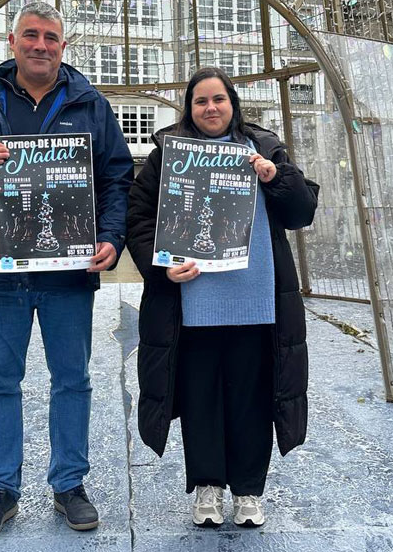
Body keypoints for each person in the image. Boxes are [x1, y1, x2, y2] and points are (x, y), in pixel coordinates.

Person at [0, 1, 134, 540]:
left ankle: (69, 484)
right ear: (12, 41)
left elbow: (118, 178)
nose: (40, 46)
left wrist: (111, 238)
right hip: (0, 277)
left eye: (50, 38)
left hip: (68, 276)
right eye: (31, 36)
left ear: (64, 47)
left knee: (73, 380)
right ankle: (0, 488)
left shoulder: (91, 105)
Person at [127, 66, 319, 528]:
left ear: (233, 104)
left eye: (218, 100)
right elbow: (138, 218)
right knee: (200, 400)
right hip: (192, 304)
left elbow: (302, 211)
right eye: (200, 101)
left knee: (252, 399)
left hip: (257, 302)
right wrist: (160, 265)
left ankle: (249, 490)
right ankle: (208, 487)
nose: (210, 108)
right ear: (189, 109)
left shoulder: (263, 148)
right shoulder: (166, 156)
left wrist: (276, 177)